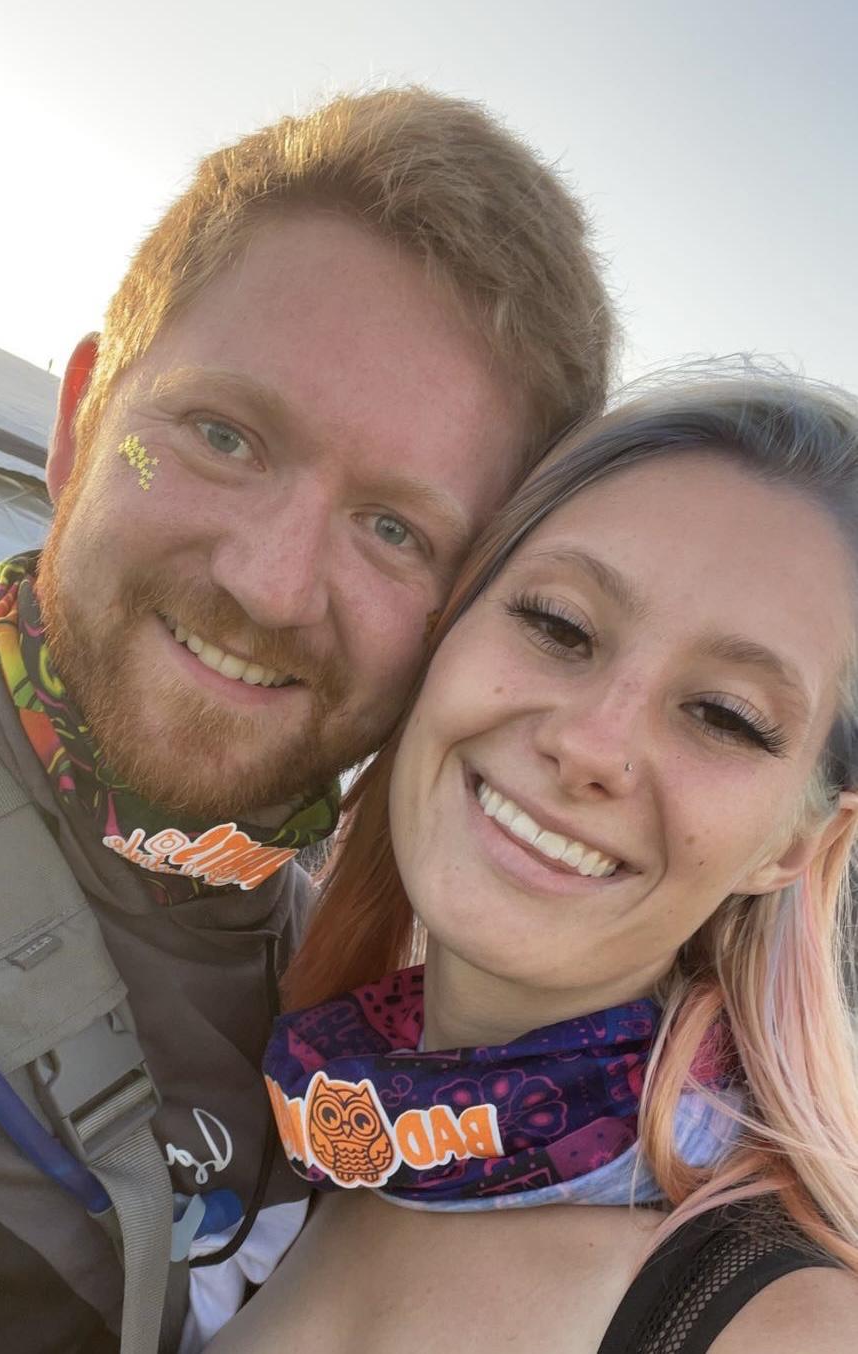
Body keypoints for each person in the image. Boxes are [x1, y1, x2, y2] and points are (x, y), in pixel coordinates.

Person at [0, 87, 615, 1352]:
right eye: (223, 434)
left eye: (395, 529)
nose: (268, 580)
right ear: (83, 420)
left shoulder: (374, 1035)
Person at [213, 371, 858, 1353]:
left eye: (725, 714)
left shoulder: (779, 1320)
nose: (592, 744)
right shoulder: (305, 1108)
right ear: (447, 629)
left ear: (799, 843)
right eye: (558, 624)